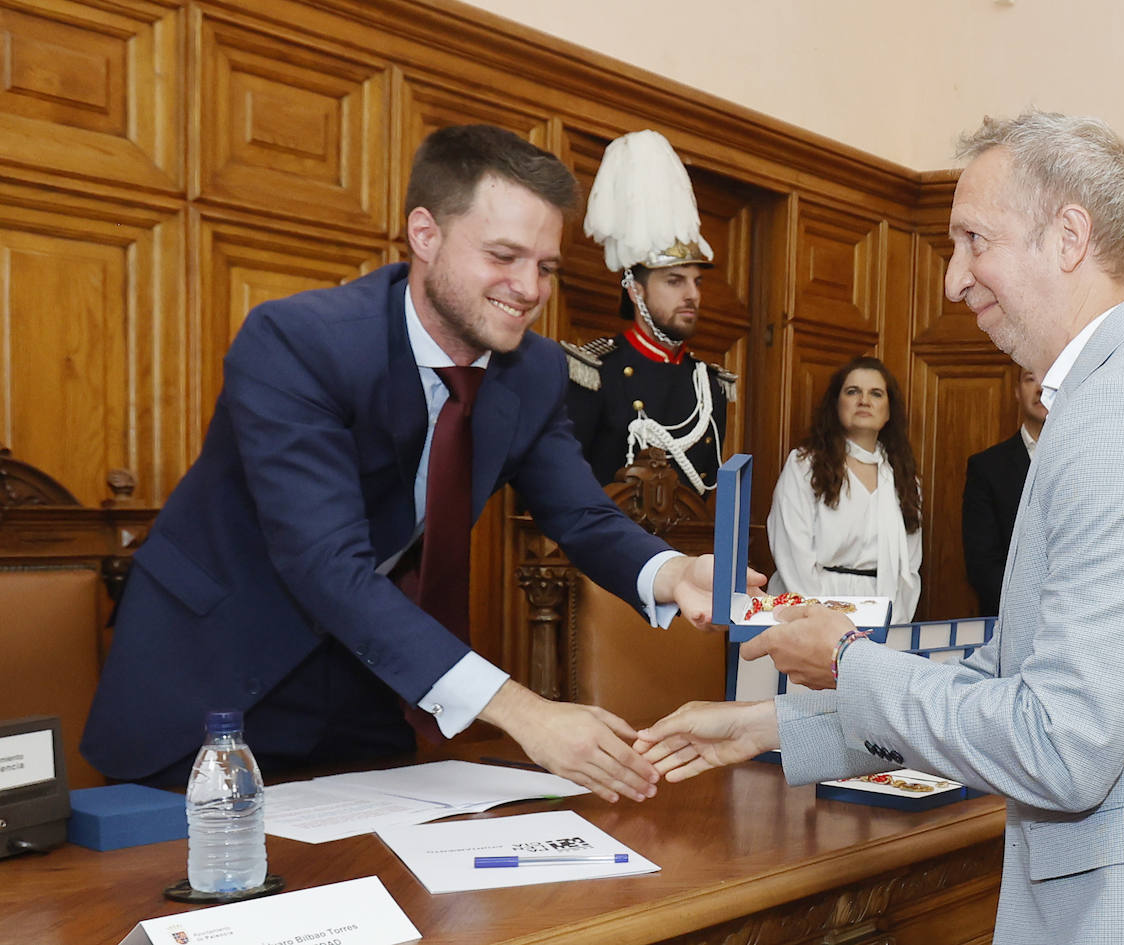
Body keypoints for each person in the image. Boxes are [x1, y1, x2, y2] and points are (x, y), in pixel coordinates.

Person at [637, 110, 1124, 944]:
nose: (954, 281)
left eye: (973, 241)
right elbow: (1007, 670)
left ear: (1068, 236)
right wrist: (761, 726)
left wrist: (847, 659)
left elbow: (1061, 745)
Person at [81, 124, 761, 804]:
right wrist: (527, 714)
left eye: (546, 267)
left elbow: (580, 513)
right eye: (504, 255)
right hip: (210, 678)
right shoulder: (297, 342)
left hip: (371, 677)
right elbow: (327, 565)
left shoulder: (536, 371)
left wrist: (675, 573)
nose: (528, 289)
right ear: (425, 235)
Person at [565, 130, 733, 495]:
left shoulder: (709, 384)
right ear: (635, 290)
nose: (692, 295)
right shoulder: (595, 372)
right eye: (675, 281)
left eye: (697, 283)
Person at [765, 356, 922, 623]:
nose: (864, 400)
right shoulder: (805, 465)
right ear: (836, 404)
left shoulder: (903, 479)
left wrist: (893, 623)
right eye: (853, 391)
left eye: (876, 393)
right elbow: (792, 553)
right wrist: (821, 620)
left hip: (881, 611)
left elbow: (910, 566)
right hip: (810, 609)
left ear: (888, 412)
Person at [961, 368, 1047, 615]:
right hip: (1006, 620)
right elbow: (982, 563)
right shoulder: (987, 467)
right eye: (1031, 379)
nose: (1040, 387)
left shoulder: (1085, 462)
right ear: (1017, 391)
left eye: (1050, 378)